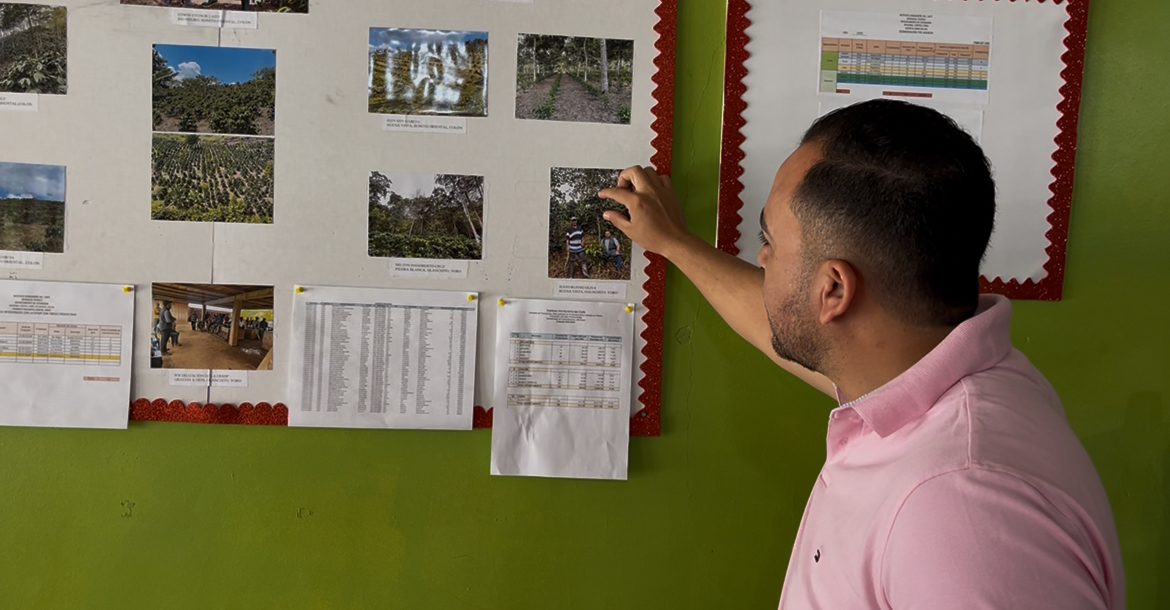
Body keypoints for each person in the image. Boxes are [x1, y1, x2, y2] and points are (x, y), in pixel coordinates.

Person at [599, 100, 1124, 609]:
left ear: (833, 289)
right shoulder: (948, 377)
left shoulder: (961, 508)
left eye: (769, 241)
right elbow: (783, 320)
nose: (761, 258)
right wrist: (676, 244)